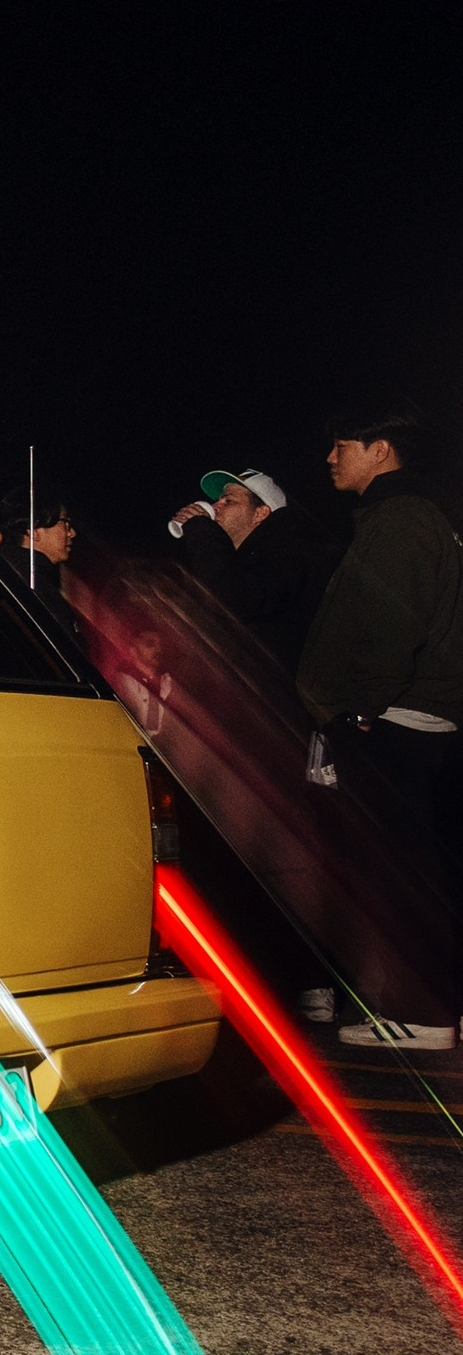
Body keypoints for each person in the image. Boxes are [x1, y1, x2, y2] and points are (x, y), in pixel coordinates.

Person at [295, 405, 463, 1051]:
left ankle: (419, 1014)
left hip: (393, 722)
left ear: (381, 450)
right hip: (407, 721)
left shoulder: (399, 522)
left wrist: (359, 709)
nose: (331, 457)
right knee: (420, 869)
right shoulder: (414, 519)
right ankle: (434, 1007)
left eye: (342, 445)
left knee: (396, 876)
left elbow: (392, 627)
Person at [164, 467, 337, 673]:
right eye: (218, 500)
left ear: (260, 513)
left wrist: (201, 529)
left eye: (228, 501)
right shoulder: (234, 560)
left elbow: (238, 598)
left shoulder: (287, 555)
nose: (215, 506)